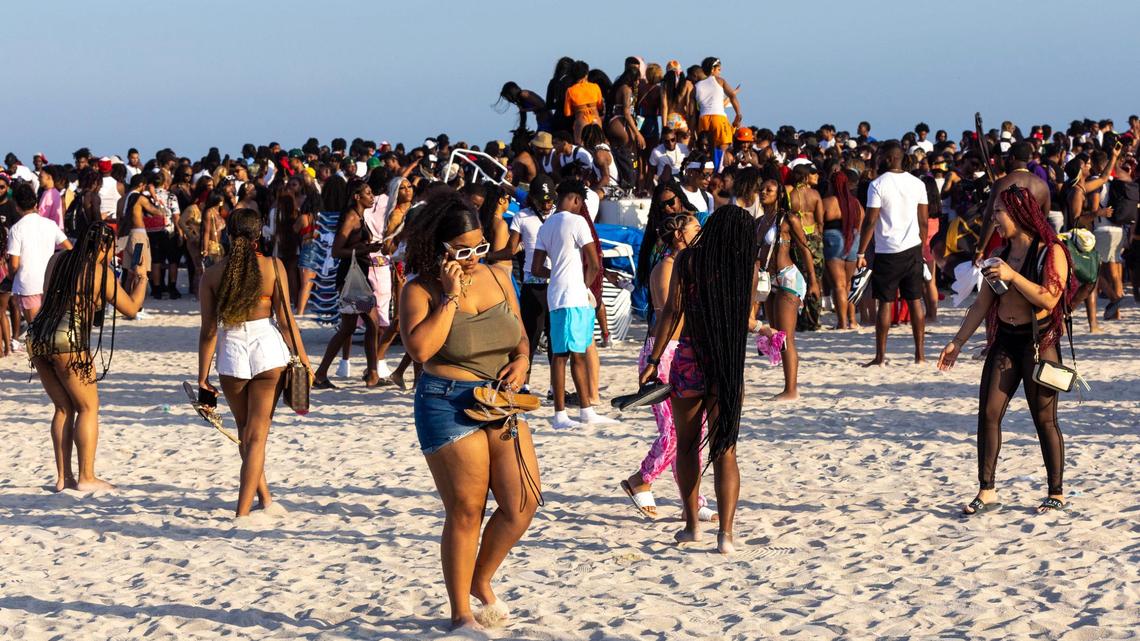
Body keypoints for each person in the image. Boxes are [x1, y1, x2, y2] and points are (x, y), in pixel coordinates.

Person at [399, 189, 539, 631]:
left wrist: (521, 361)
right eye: (463, 250)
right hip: (446, 401)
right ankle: (461, 613)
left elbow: (520, 336)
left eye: (480, 246)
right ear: (439, 250)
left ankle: (480, 579)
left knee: (523, 502)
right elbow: (420, 350)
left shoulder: (498, 276)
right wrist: (450, 296)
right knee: (466, 509)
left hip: (499, 399)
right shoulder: (419, 289)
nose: (475, 256)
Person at [938, 186, 1075, 515]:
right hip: (1005, 342)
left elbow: (1049, 298)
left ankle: (1056, 492)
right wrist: (957, 342)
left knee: (1044, 418)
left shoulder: (1050, 251)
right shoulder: (999, 253)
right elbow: (981, 305)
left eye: (998, 212)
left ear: (1018, 214)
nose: (993, 219)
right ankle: (987, 490)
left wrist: (1013, 275)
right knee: (988, 414)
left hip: (1039, 343)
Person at [639, 205, 763, 555]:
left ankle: (693, 525)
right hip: (726, 364)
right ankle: (725, 534)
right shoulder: (745, 270)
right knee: (725, 450)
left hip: (690, 359)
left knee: (689, 444)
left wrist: (653, 358)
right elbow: (745, 317)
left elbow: (672, 313)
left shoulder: (688, 260)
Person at [197, 209, 310, 517]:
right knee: (257, 436)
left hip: (231, 350)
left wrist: (202, 377)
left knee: (245, 432)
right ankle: (243, 512)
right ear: (259, 235)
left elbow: (208, 330)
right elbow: (286, 321)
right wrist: (303, 359)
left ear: (228, 236)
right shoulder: (273, 267)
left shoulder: (213, 274)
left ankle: (265, 499)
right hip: (267, 350)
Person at [623, 184, 719, 521]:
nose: (700, 233)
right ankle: (641, 479)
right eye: (695, 228)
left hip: (681, 351)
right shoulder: (666, 268)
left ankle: (693, 500)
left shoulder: (685, 264)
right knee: (675, 431)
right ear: (680, 235)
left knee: (692, 429)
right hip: (663, 353)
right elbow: (669, 316)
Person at [28, 221, 146, 492]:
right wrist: (142, 280)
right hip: (68, 339)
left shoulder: (57, 260)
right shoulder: (99, 272)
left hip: (38, 335)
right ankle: (86, 477)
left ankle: (62, 478)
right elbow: (131, 308)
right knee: (88, 408)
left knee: (62, 408)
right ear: (103, 247)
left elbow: (50, 296)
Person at [530, 179, 608, 428]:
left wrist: (556, 275)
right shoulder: (577, 221)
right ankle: (570, 412)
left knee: (562, 354)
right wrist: (584, 285)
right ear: (576, 199)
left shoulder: (546, 225)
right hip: (574, 295)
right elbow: (594, 262)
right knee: (576, 354)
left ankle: (570, 412)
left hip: (555, 294)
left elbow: (535, 268)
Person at [856, 142, 929, 366]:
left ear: (888, 159)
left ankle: (880, 356)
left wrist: (861, 251)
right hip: (913, 249)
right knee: (916, 301)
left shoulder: (877, 184)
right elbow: (923, 221)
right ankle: (920, 355)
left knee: (885, 303)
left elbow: (870, 221)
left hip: (887, 250)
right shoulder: (917, 183)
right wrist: (921, 246)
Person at [312, 181, 384, 388]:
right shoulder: (352, 217)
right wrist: (363, 250)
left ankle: (324, 373)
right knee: (368, 324)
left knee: (351, 327)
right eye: (368, 193)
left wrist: (367, 249)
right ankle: (371, 374)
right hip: (351, 279)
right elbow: (336, 251)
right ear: (356, 196)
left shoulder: (359, 216)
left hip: (356, 276)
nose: (372, 197)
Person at [758, 179, 818, 400]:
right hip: (769, 281)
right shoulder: (759, 221)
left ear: (779, 194)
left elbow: (804, 249)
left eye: (769, 190)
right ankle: (787, 386)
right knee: (776, 335)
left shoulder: (788, 219)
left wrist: (813, 280)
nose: (763, 192)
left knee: (785, 337)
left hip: (788, 278)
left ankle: (791, 389)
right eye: (762, 189)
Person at [506, 176, 555, 392]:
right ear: (532, 199)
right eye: (542, 200)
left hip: (556, 284)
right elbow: (510, 249)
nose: (547, 204)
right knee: (530, 337)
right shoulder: (521, 217)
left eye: (550, 200)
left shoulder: (560, 215)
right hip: (532, 285)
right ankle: (524, 383)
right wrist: (489, 253)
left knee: (556, 338)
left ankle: (556, 387)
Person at [8, 183, 72, 324]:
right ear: (35, 203)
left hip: (28, 285)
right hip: (50, 283)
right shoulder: (49, 224)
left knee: (35, 330)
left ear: (17, 206)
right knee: (49, 328)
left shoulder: (16, 229)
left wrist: (11, 277)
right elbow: (69, 248)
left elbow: (14, 264)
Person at [822, 169, 863, 329]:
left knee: (838, 285)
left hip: (832, 238)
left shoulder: (829, 201)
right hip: (853, 239)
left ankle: (842, 323)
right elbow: (862, 222)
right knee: (847, 284)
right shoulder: (855, 203)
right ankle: (852, 320)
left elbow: (819, 223)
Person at [693, 57, 742, 171]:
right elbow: (732, 96)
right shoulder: (720, 81)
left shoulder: (696, 86)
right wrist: (738, 113)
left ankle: (707, 172)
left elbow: (692, 110)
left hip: (703, 119)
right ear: (712, 69)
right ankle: (719, 173)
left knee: (706, 150)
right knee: (723, 149)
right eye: (719, 69)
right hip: (718, 118)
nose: (720, 72)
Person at [562, 60, 604, 145]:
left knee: (580, 145)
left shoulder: (570, 90)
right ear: (586, 74)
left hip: (581, 120)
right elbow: (600, 106)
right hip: (595, 119)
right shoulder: (595, 87)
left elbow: (567, 113)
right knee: (600, 144)